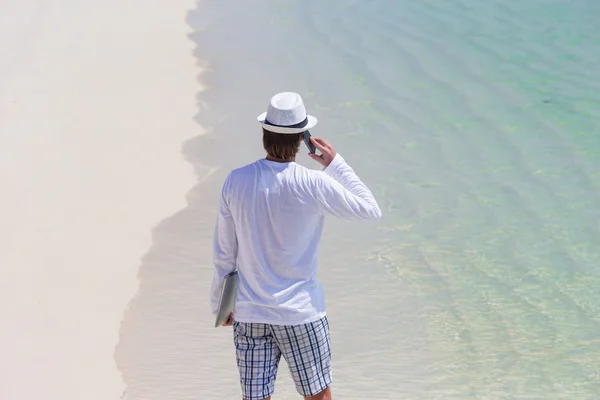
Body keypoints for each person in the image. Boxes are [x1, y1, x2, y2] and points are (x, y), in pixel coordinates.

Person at [210, 92, 382, 400]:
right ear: (304, 138)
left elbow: (224, 254)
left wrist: (219, 306)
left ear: (264, 133)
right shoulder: (313, 183)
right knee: (317, 397)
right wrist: (336, 164)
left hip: (250, 314)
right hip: (300, 314)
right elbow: (370, 210)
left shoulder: (235, 180)